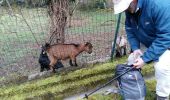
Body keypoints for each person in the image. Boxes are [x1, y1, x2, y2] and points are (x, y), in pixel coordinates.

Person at [113, 0, 170, 100]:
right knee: (132, 60)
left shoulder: (159, 6)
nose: (125, 10)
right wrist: (135, 48)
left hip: (165, 44)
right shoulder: (131, 9)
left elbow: (165, 37)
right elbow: (129, 28)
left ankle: (162, 95)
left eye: (126, 7)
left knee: (161, 67)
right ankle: (135, 90)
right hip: (149, 41)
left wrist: (145, 58)